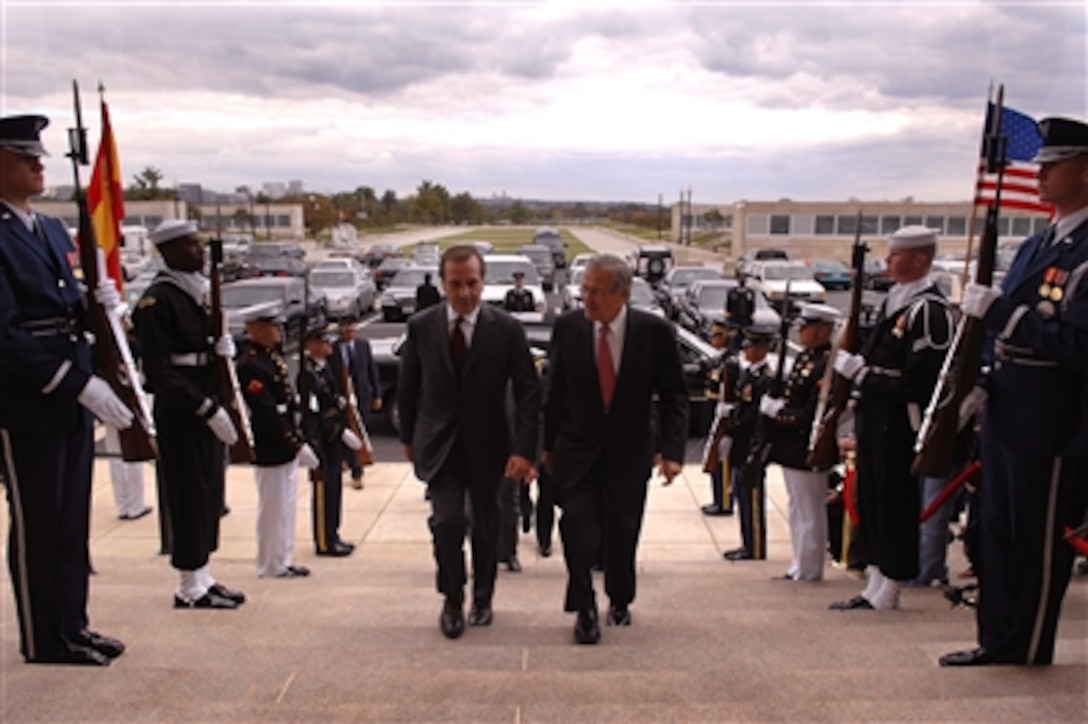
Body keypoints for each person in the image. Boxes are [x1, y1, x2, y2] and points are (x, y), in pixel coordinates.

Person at [940, 117, 1088, 666]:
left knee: (1035, 537)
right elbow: (993, 327)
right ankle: (998, 639)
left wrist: (1003, 311)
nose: (1041, 173)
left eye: (1055, 164)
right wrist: (980, 380)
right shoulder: (1037, 245)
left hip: (1049, 414)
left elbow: (1077, 342)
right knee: (996, 532)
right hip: (1007, 406)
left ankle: (1026, 643)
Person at [0, 114, 129, 665]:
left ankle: (73, 625)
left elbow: (68, 309)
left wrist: (101, 304)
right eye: (23, 155)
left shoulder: (50, 229)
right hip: (27, 399)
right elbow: (4, 333)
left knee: (71, 521)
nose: (38, 164)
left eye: (40, 156)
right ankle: (44, 637)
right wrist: (75, 383)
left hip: (72, 396)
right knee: (39, 524)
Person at [543, 254, 688, 645]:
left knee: (622, 532)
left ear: (622, 294)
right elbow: (553, 393)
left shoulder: (654, 332)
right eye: (584, 289)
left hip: (630, 450)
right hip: (577, 449)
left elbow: (674, 395)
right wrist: (542, 448)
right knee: (577, 528)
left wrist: (672, 451)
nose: (585, 299)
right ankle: (585, 606)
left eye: (595, 292)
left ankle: (620, 598)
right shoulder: (569, 328)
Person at [398, 244, 539, 639]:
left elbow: (529, 392)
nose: (464, 293)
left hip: (491, 445)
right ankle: (451, 598)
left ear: (483, 282)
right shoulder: (422, 327)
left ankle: (483, 596)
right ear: (443, 284)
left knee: (486, 527)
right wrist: (408, 436)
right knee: (447, 523)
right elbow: (409, 387)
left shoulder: (506, 329)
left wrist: (524, 450)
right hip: (441, 445)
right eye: (456, 284)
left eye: (472, 283)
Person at [830, 226, 952, 611]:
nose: (888, 261)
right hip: (877, 417)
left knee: (896, 503)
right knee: (873, 499)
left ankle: (894, 580)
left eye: (896, 255)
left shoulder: (928, 310)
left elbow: (920, 379)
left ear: (919, 259)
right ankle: (876, 576)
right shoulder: (896, 301)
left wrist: (864, 376)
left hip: (902, 421)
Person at [133, 219, 246, 610]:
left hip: (203, 400)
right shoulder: (157, 300)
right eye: (191, 247)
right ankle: (188, 585)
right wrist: (205, 406)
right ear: (169, 252)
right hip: (182, 410)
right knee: (186, 493)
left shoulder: (195, 292)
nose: (199, 253)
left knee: (208, 492)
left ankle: (202, 573)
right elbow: (159, 373)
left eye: (199, 245)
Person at [236, 304, 317, 578]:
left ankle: (283, 557)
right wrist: (295, 443)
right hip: (271, 445)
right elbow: (266, 413)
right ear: (254, 329)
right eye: (273, 326)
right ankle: (270, 563)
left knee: (286, 506)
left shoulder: (270, 356)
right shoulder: (250, 364)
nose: (279, 331)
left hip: (284, 443)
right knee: (273, 509)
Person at [760, 303, 839, 582]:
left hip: (809, 445)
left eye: (806, 328)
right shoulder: (808, 358)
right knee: (797, 506)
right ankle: (799, 563)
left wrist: (779, 412)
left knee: (810, 508)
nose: (801, 333)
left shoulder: (826, 364)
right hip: (793, 446)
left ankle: (809, 567)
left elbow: (811, 412)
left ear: (822, 331)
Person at [298, 324, 362, 557]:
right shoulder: (307, 375)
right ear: (312, 345)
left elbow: (332, 400)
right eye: (324, 341)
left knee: (334, 491)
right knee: (325, 492)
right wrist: (339, 430)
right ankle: (325, 542)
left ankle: (333, 534)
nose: (329, 345)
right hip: (323, 443)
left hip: (333, 441)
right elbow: (313, 415)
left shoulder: (323, 369)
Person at [721, 323, 777, 561]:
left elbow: (758, 417)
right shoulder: (748, 374)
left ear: (763, 349)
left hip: (752, 445)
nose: (747, 351)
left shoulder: (767, 379)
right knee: (742, 495)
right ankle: (747, 542)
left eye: (752, 346)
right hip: (740, 443)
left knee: (752, 497)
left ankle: (755, 545)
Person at [330, 315, 381, 490]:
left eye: (352, 329)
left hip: (362, 396)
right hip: (341, 398)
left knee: (359, 432)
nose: (349, 332)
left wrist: (377, 395)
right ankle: (356, 472)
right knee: (346, 432)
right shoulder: (333, 349)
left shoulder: (362, 346)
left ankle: (353, 464)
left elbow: (371, 370)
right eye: (345, 329)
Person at [700, 321, 735, 516]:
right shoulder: (720, 360)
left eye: (716, 336)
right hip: (713, 410)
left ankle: (724, 502)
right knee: (715, 457)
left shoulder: (729, 363)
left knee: (722, 460)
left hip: (722, 414)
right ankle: (718, 498)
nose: (713, 339)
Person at [105, 424, 152, 520]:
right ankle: (135, 506)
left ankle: (122, 506)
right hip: (129, 414)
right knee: (133, 454)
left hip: (111, 416)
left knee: (116, 457)